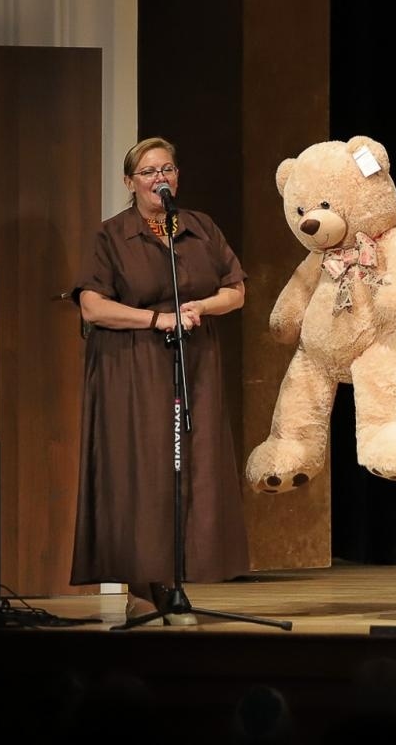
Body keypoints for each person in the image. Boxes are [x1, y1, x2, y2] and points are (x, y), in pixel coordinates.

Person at [71, 137, 251, 624]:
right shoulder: (112, 235)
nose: (160, 179)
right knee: (142, 469)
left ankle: (175, 582)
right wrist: (157, 320)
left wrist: (199, 307)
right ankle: (141, 588)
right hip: (131, 365)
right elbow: (92, 306)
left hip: (193, 361)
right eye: (149, 172)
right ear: (129, 182)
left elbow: (235, 291)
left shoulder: (200, 227)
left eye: (167, 169)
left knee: (189, 466)